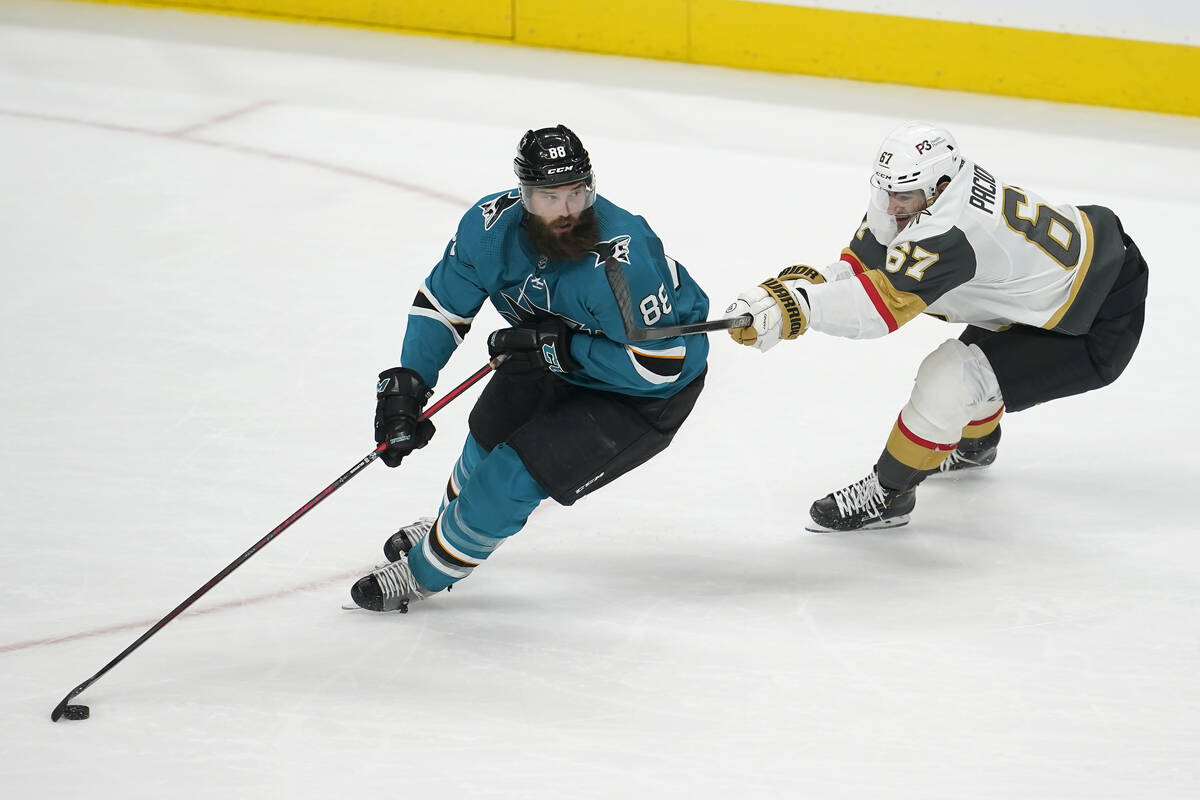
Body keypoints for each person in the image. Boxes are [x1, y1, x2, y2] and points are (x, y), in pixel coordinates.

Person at [352, 124, 711, 611]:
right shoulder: (487, 229)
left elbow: (658, 367)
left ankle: (423, 572)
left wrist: (564, 350)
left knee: (512, 474)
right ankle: (448, 527)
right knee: (484, 438)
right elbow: (442, 305)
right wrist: (410, 385)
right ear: (523, 195)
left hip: (638, 396)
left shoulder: (619, 262)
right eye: (549, 197)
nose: (566, 210)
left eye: (577, 193)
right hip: (551, 351)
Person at [726, 120, 1148, 532]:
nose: (892, 205)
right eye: (887, 190)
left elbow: (879, 307)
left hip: (1095, 319)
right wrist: (805, 288)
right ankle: (975, 445)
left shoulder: (949, 230)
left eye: (903, 195)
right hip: (1059, 287)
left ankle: (889, 494)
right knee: (978, 372)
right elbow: (866, 267)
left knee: (950, 379)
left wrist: (796, 308)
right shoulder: (921, 195)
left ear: (940, 187)